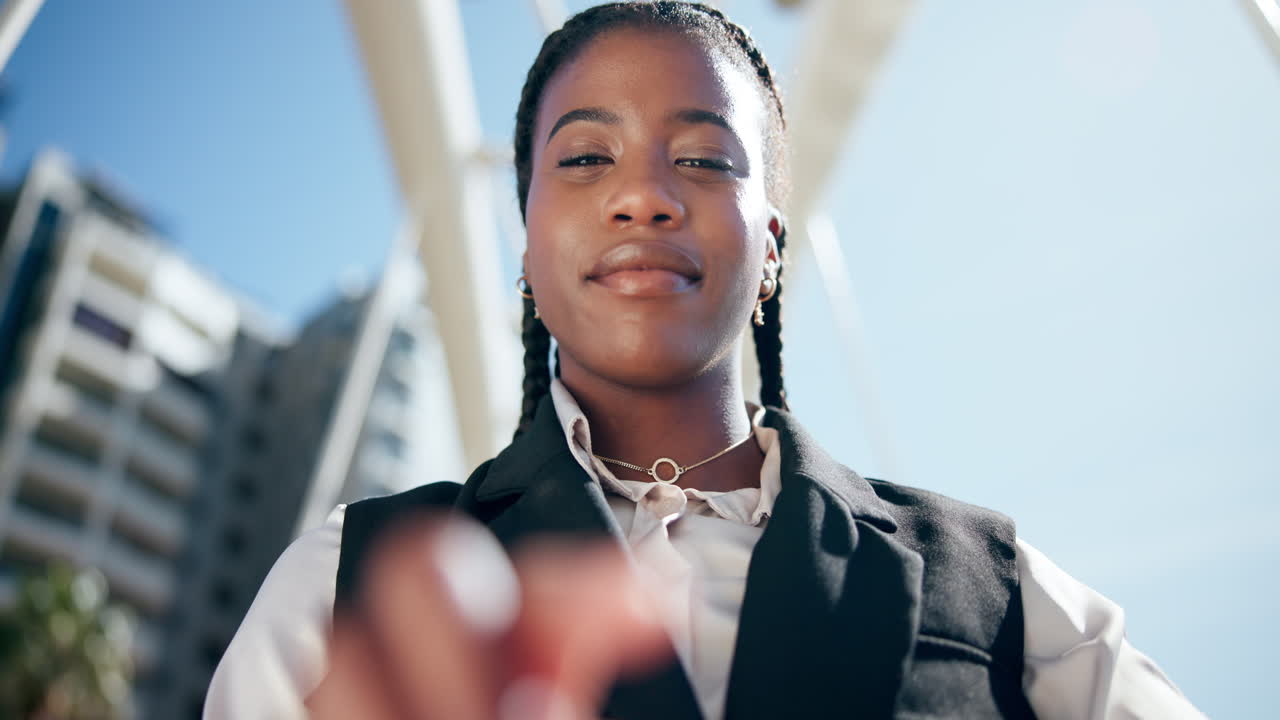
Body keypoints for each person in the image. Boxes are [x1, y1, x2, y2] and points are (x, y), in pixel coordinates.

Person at [206, 3, 1207, 718]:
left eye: (702, 159)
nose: (641, 196)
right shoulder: (350, 579)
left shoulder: (999, 594)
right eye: (585, 158)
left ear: (772, 245)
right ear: (524, 246)